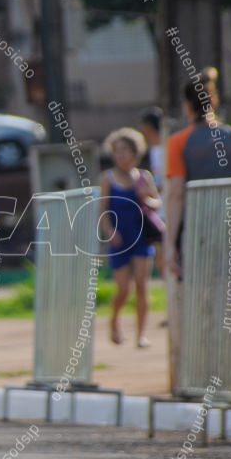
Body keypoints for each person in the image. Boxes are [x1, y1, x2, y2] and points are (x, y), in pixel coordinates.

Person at [164, 67, 231, 279]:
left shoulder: (178, 142)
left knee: (200, 289)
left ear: (187, 106)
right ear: (214, 101)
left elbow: (176, 194)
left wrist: (170, 244)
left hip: (197, 228)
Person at [99, 127, 161, 348]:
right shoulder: (107, 178)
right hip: (119, 239)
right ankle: (114, 318)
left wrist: (146, 197)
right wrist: (110, 232)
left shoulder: (143, 177)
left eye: (125, 150)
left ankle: (141, 334)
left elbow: (156, 203)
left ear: (135, 152)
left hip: (141, 236)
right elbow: (103, 211)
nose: (121, 155)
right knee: (124, 289)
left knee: (142, 285)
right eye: (117, 151)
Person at [139, 107, 166, 279]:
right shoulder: (154, 150)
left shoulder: (165, 149)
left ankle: (174, 293)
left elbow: (165, 181)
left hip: (166, 209)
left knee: (164, 254)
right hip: (158, 211)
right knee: (160, 256)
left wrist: (151, 191)